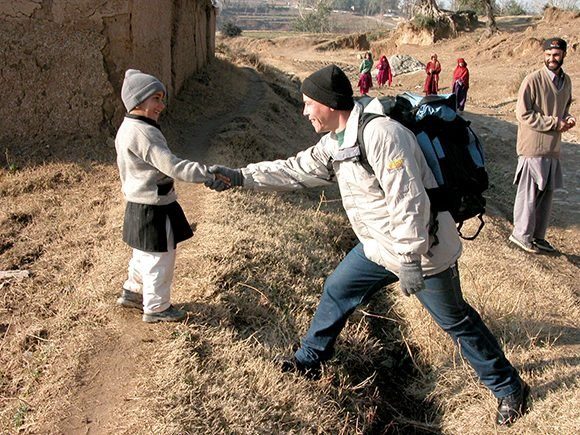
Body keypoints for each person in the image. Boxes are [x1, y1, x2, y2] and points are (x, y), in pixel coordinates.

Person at [207, 64, 530, 426]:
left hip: (423, 250)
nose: (305, 111)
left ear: (330, 103)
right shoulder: (336, 142)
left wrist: (409, 257)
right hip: (377, 247)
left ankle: (509, 388)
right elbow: (295, 170)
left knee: (455, 321)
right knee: (337, 289)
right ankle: (309, 361)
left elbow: (408, 198)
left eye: (309, 103)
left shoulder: (382, 135)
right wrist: (240, 177)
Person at [115, 69, 226, 323]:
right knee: (160, 259)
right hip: (155, 206)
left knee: (142, 254)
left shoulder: (128, 127)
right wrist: (206, 174)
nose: (161, 106)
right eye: (156, 98)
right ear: (138, 100)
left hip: (137, 203)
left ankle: (132, 292)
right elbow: (173, 166)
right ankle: (156, 307)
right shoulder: (145, 133)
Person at [509, 37, 575, 254]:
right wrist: (555, 123)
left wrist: (568, 119)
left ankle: (537, 237)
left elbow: (563, 108)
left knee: (545, 196)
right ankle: (520, 235)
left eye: (556, 55)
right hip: (532, 146)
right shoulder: (532, 79)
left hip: (552, 148)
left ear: (564, 55)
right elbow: (523, 114)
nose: (551, 59)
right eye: (548, 55)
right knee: (528, 193)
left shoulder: (566, 82)